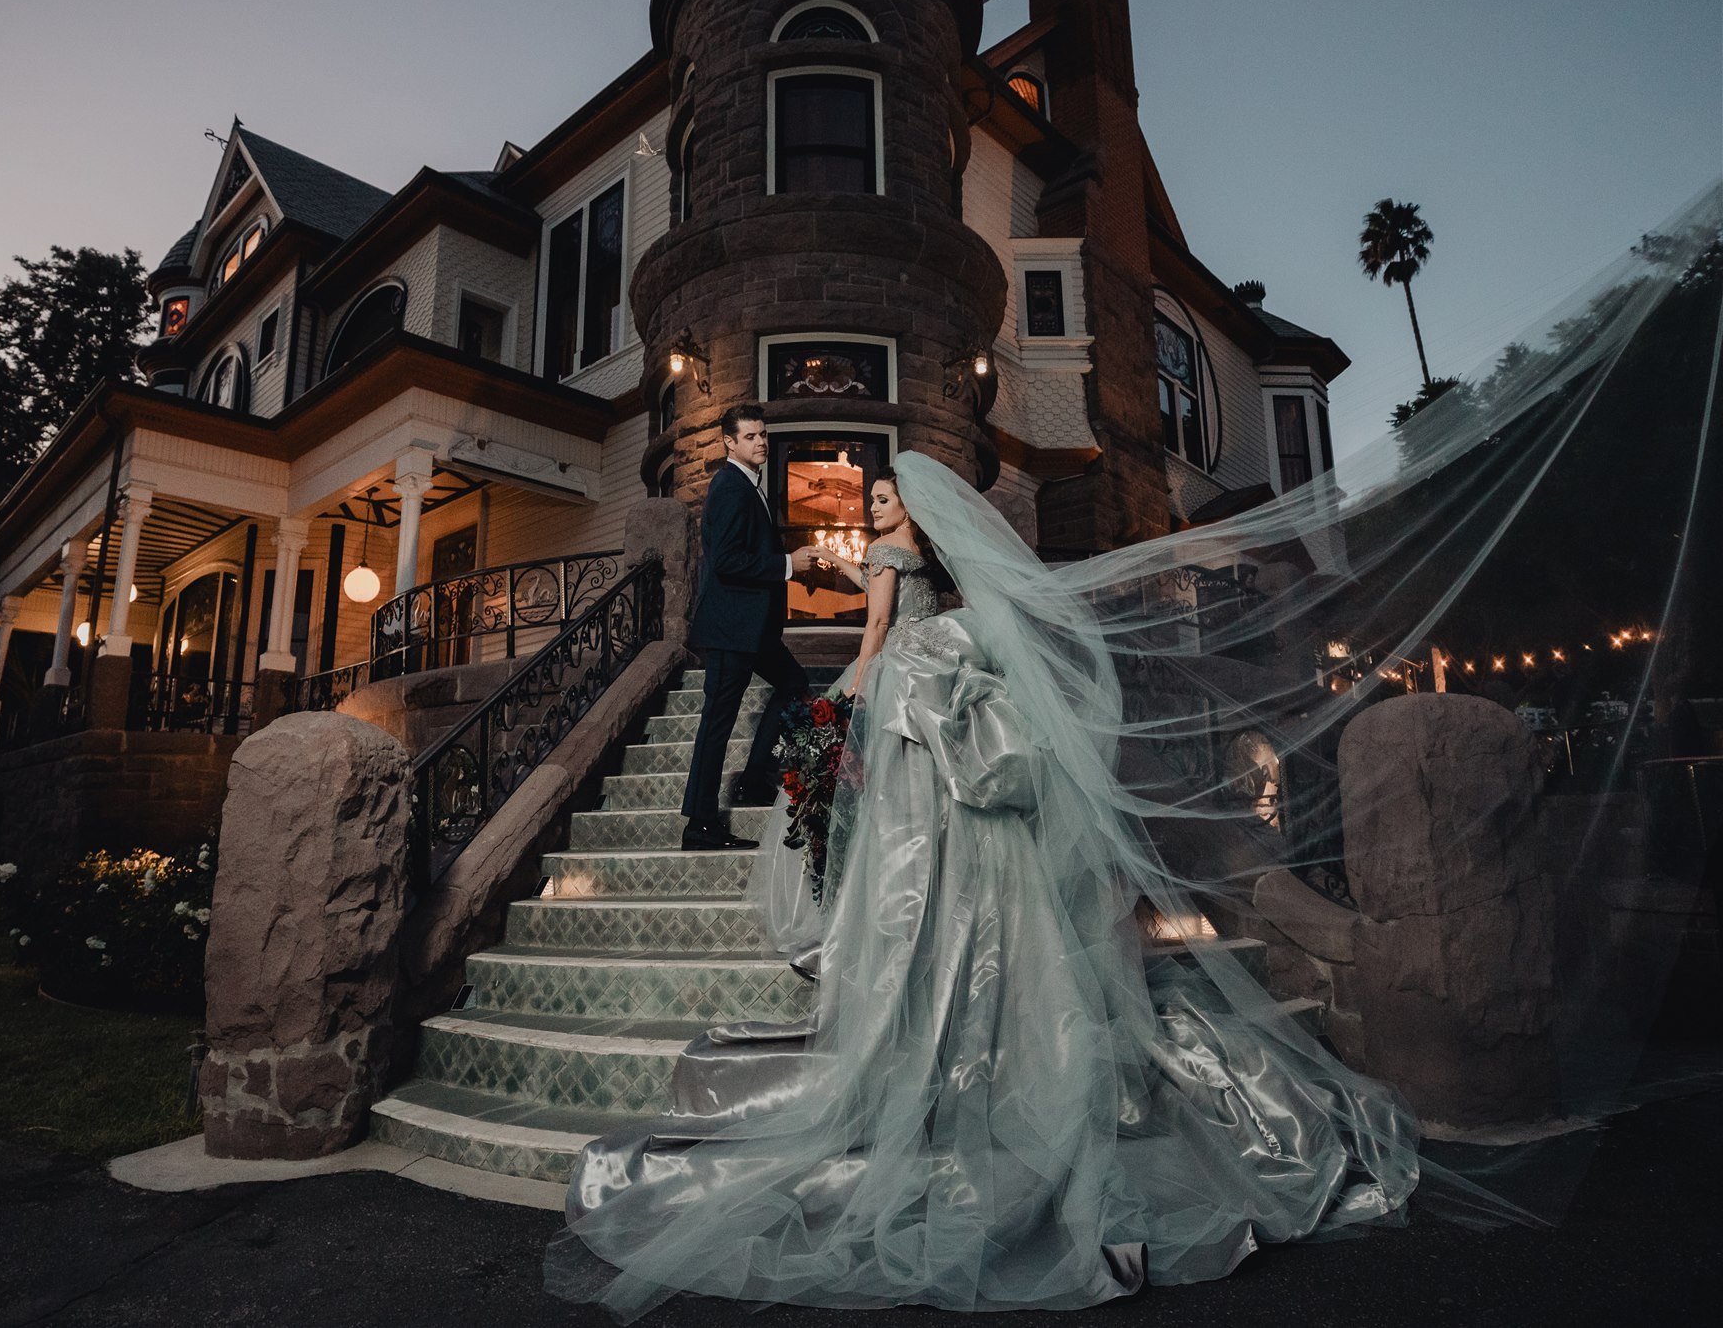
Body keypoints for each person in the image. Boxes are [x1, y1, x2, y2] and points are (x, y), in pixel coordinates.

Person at [548, 455, 1427, 1318]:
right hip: (931, 733)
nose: (878, 509)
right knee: (932, 863)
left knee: (909, 857)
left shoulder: (901, 575)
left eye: (887, 499)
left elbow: (878, 634)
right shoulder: (943, 587)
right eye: (877, 498)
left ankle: (934, 1004)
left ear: (914, 519)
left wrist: (848, 692)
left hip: (911, 724)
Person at [680, 404, 821, 852]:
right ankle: (700, 826)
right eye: (752, 436)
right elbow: (725, 562)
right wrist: (786, 564)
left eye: (764, 434)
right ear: (730, 442)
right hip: (729, 631)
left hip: (753, 630)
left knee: (794, 681)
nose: (762, 441)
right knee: (715, 726)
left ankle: (753, 781)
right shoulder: (729, 485)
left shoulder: (749, 485)